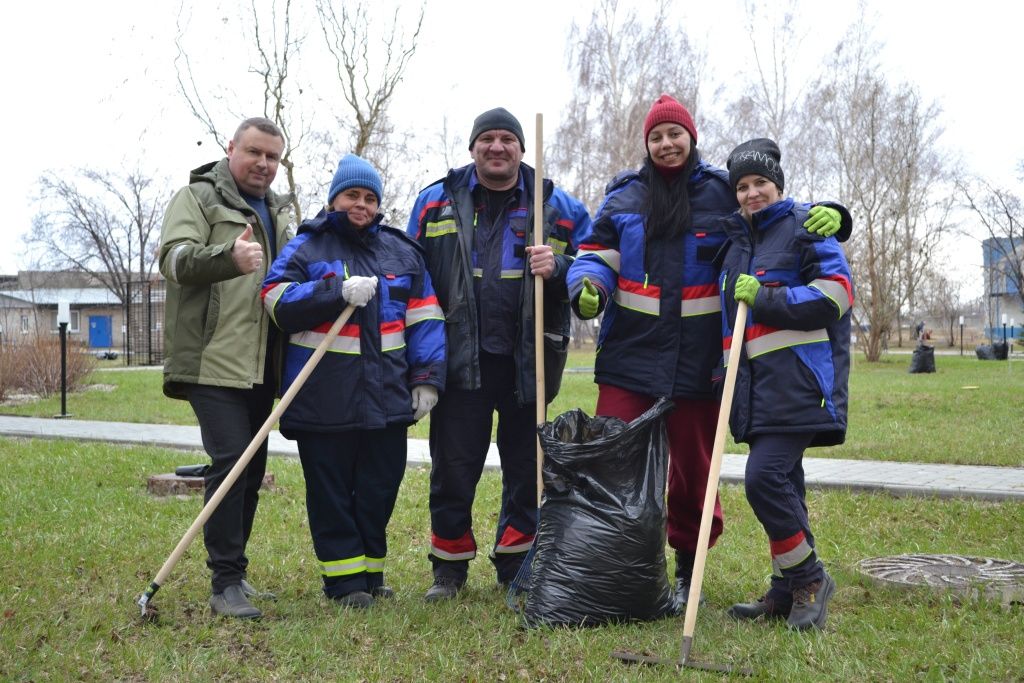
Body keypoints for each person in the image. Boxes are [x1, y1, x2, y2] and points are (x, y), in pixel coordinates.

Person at [566, 95, 849, 607]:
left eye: (675, 134)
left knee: (694, 473)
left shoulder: (724, 192)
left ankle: (684, 569)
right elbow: (594, 254)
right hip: (630, 357)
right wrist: (587, 285)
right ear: (646, 145)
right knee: (611, 462)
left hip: (700, 363)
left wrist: (833, 215)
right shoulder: (624, 198)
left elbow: (777, 221)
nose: (666, 144)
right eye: (656, 136)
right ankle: (614, 566)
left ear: (691, 138)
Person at [407, 107, 592, 600]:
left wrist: (562, 264)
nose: (496, 147)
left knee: (525, 468)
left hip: (527, 362)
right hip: (458, 360)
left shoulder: (554, 205)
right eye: (486, 139)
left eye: (506, 139)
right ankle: (448, 568)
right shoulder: (435, 202)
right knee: (453, 466)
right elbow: (409, 274)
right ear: (472, 148)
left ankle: (517, 564)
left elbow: (596, 267)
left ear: (521, 149)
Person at [262, 154, 446, 608]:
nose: (360, 204)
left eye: (369, 197)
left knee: (380, 488)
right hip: (323, 398)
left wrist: (427, 379)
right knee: (331, 493)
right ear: (333, 199)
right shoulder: (307, 248)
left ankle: (370, 572)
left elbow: (425, 318)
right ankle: (344, 584)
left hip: (385, 400)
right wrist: (333, 293)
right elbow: (274, 299)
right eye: (351, 196)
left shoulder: (402, 252)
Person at [159, 117, 295, 619]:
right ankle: (224, 583)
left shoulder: (281, 212)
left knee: (252, 470)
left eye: (273, 157)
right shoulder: (197, 199)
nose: (263, 164)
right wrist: (226, 257)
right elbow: (172, 260)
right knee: (232, 461)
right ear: (230, 146)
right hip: (211, 361)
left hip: (264, 365)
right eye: (254, 152)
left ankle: (236, 573)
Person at [718, 138, 853, 631]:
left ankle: (810, 577)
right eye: (743, 186)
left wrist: (768, 297)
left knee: (764, 479)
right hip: (756, 390)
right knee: (786, 484)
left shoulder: (808, 226)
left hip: (800, 383)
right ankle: (785, 589)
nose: (753, 193)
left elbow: (836, 296)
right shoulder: (737, 243)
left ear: (779, 184)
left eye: (761, 183)